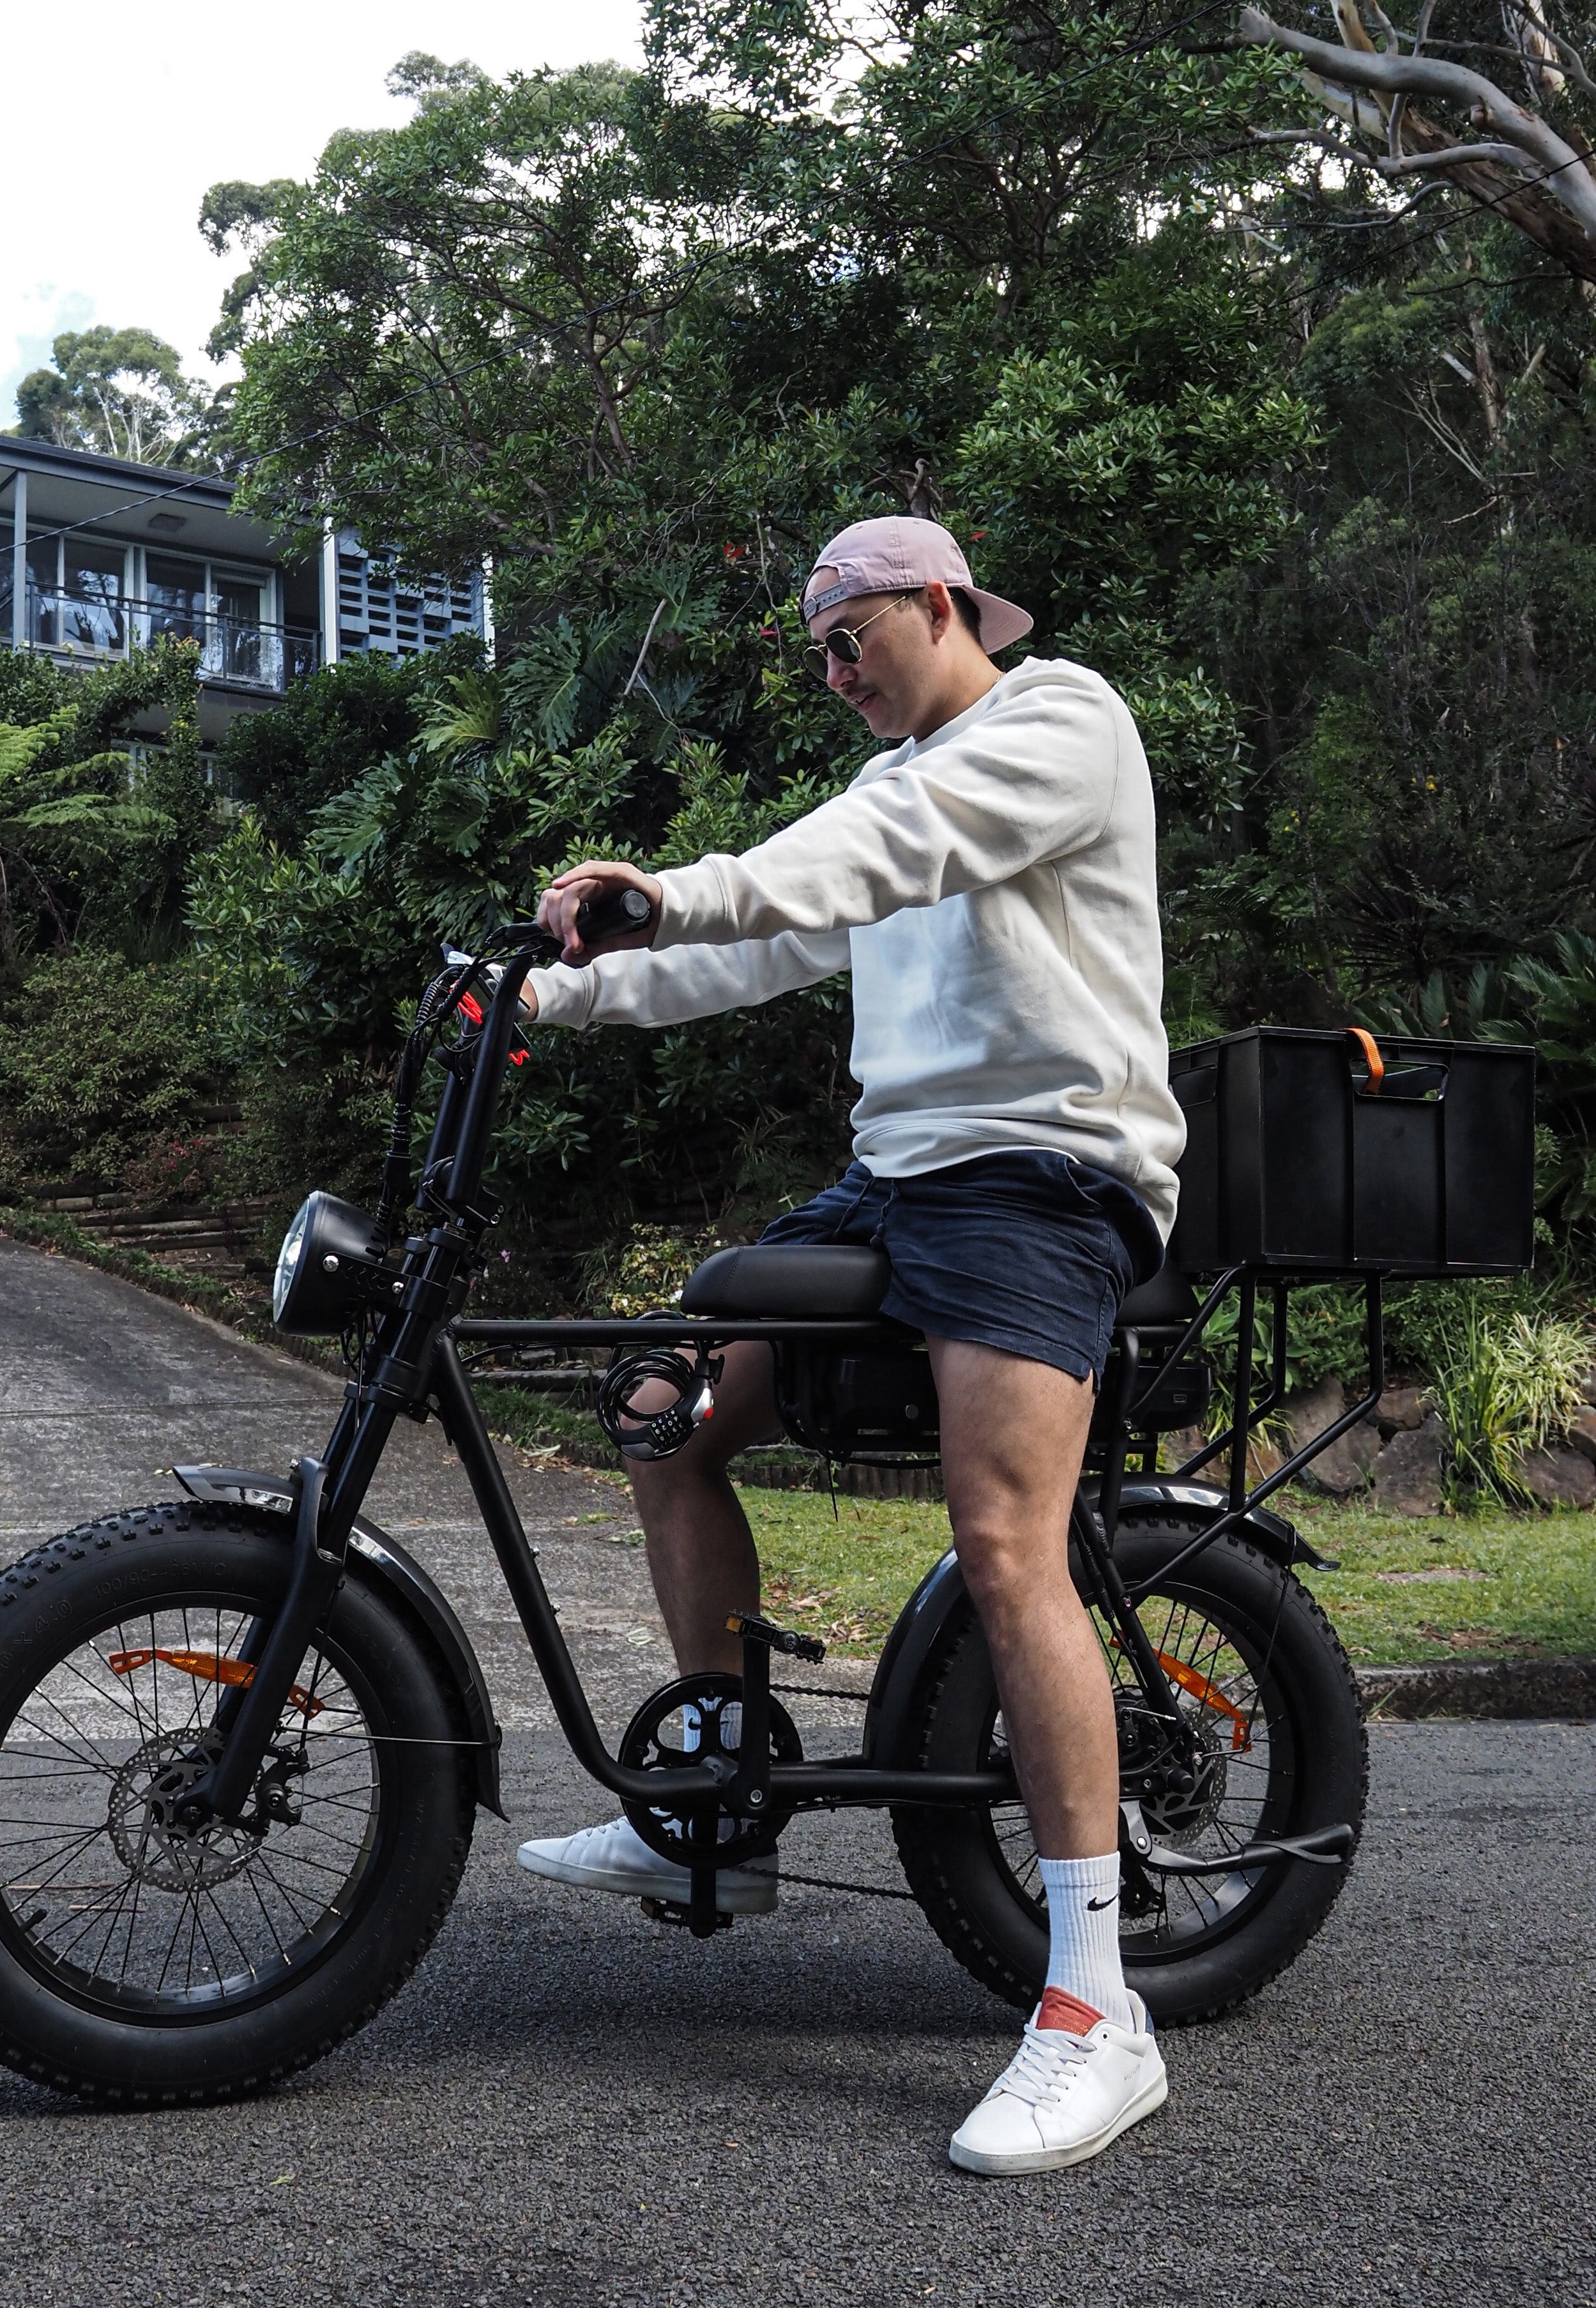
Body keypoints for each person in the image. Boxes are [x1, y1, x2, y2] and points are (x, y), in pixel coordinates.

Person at [511, 514, 1185, 2175]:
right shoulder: (881, 804)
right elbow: (764, 937)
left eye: (848, 636)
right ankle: (720, 1814)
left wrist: (660, 888)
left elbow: (854, 865)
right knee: (665, 1414)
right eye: (814, 650)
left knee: (1001, 1541)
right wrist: (536, 998)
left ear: (943, 606)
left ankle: (1100, 2010)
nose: (831, 672)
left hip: (1045, 1171)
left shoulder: (1059, 722)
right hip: (893, 1184)